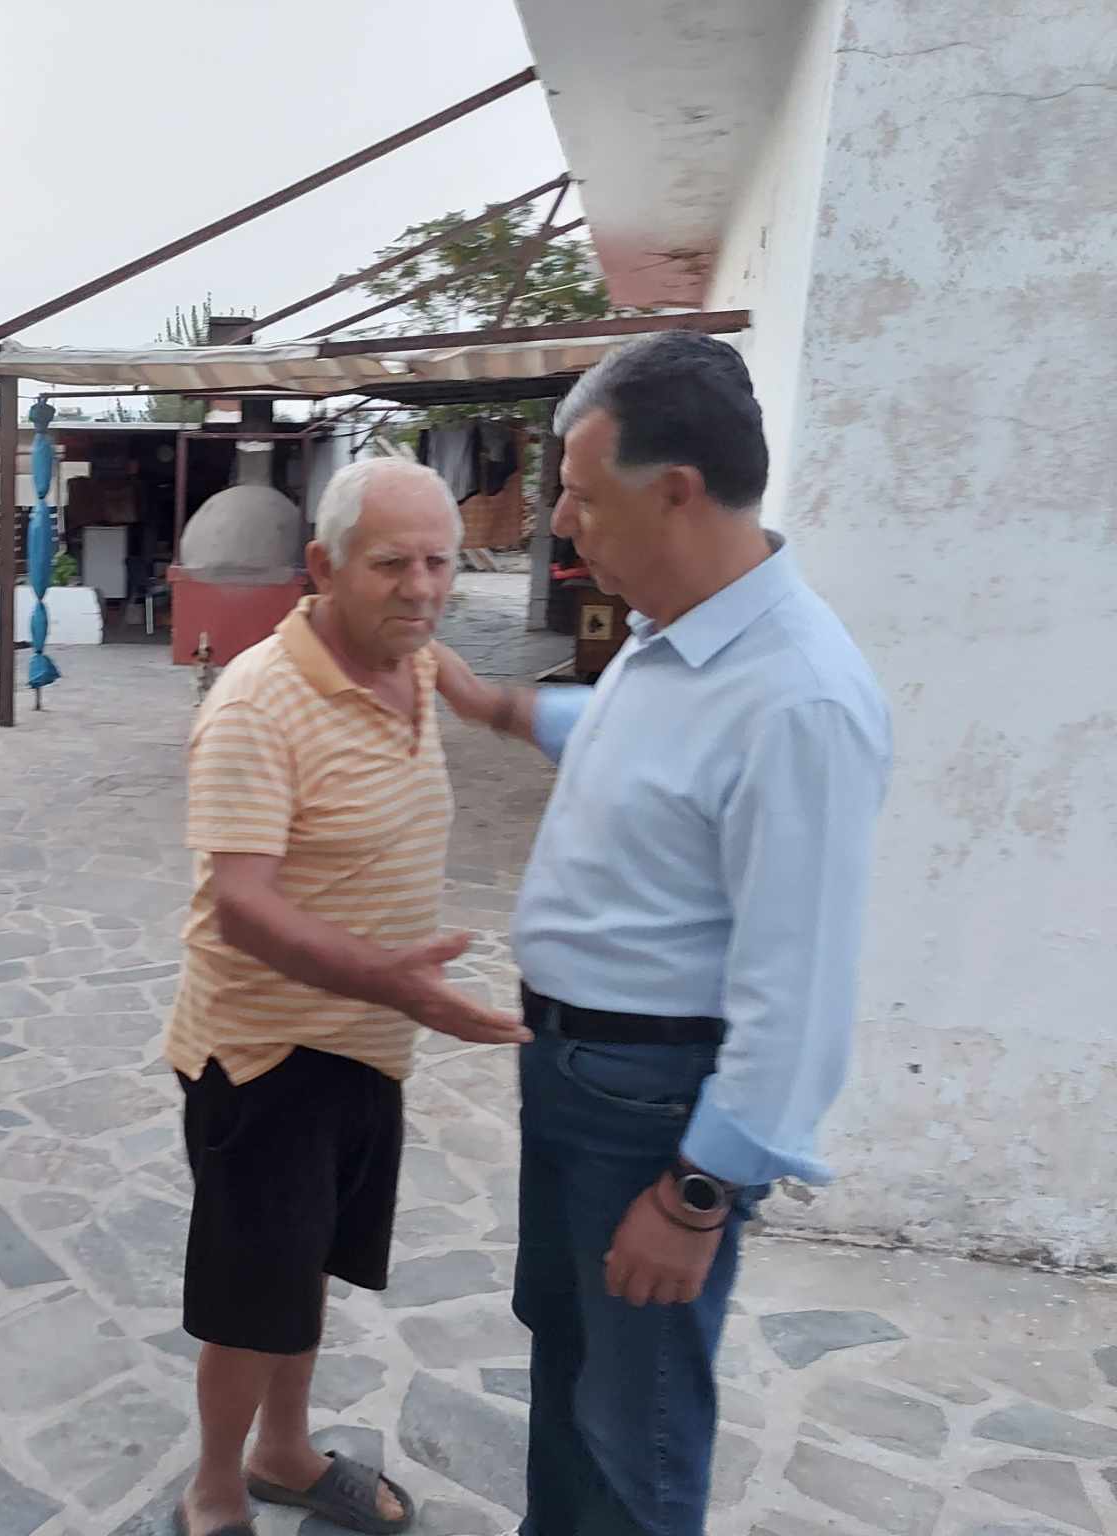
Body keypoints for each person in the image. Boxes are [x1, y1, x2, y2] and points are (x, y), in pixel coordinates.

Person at [435, 331, 892, 1535]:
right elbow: (642, 745)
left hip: (650, 1117)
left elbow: (798, 991)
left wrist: (697, 1193)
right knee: (568, 1359)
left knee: (632, 1426)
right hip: (575, 1073)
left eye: (582, 494)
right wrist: (504, 708)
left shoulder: (797, 699)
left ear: (675, 492)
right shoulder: (679, 632)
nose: (559, 522)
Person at [165, 458, 534, 1536]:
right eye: (391, 565)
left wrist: (565, 720)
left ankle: (283, 1452)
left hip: (365, 1044)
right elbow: (241, 907)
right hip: (265, 1054)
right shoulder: (256, 703)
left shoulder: (411, 658)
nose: (422, 589)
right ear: (323, 568)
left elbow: (478, 694)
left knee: (307, 1265)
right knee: (250, 1299)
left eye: (439, 563)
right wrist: (399, 985)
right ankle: (214, 1492)